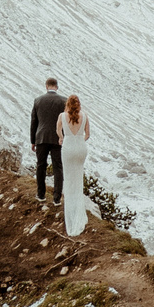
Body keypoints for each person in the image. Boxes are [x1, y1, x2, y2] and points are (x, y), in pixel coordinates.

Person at [29, 78, 67, 203]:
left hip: (41, 137)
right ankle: (57, 198)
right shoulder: (64, 101)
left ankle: (41, 195)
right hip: (58, 138)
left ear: (46, 86)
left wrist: (33, 140)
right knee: (58, 167)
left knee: (41, 166)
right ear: (57, 87)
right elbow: (67, 122)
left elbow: (34, 122)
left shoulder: (38, 100)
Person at [60, 95, 90, 235]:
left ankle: (70, 212)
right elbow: (87, 135)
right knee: (78, 179)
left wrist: (63, 139)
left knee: (68, 179)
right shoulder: (84, 116)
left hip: (68, 148)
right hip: (80, 149)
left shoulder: (62, 116)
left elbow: (58, 132)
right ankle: (79, 210)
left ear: (67, 104)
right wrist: (79, 140)